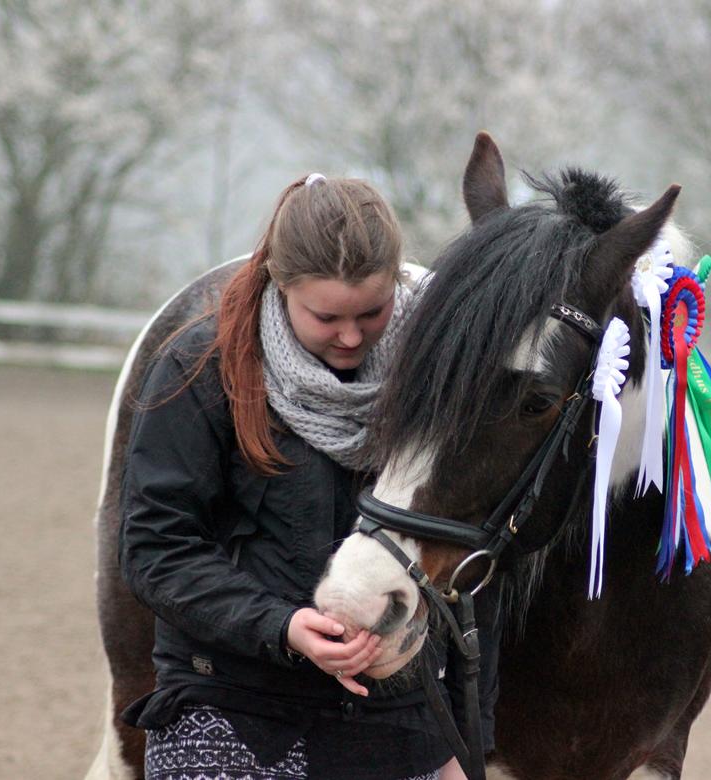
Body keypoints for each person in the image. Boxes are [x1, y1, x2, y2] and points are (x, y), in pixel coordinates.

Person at [118, 174, 499, 780]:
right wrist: (284, 627)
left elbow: (470, 561)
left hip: (400, 725)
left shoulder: (439, 381)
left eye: (371, 313)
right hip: (230, 713)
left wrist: (467, 738)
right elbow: (156, 550)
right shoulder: (197, 370)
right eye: (326, 317)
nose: (350, 336)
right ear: (279, 281)